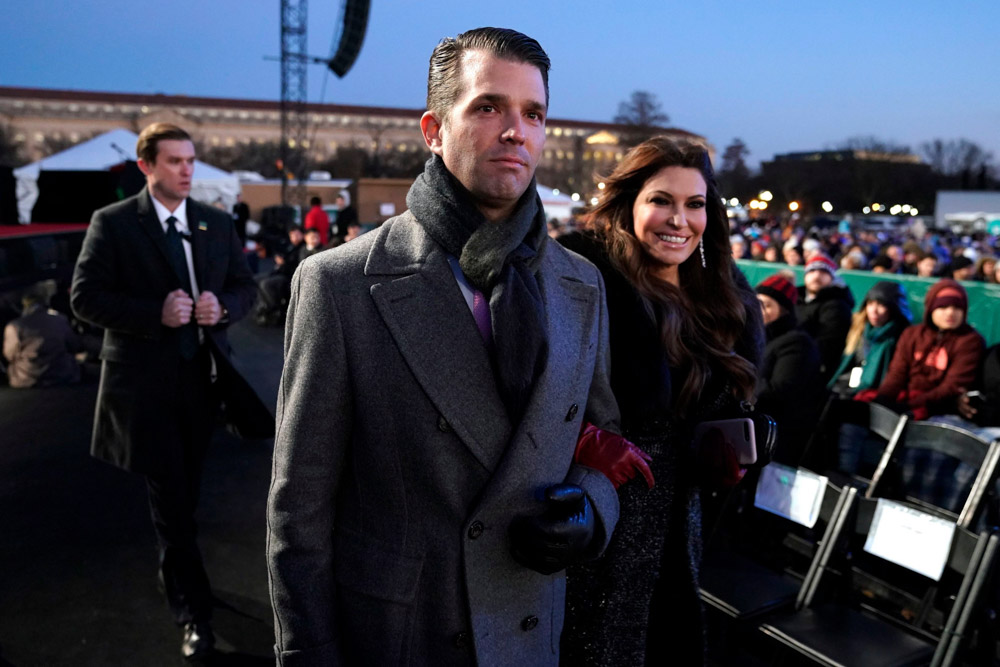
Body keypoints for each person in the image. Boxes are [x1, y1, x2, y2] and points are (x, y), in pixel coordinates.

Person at [267, 28, 622, 666]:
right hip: (403, 635)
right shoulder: (339, 285)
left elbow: (601, 434)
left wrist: (593, 509)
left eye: (533, 114)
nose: (517, 130)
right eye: (488, 107)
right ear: (433, 130)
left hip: (528, 625)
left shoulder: (580, 282)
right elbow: (300, 509)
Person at [558, 136, 763, 666]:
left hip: (679, 525)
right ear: (630, 205)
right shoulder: (583, 278)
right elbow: (531, 391)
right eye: (661, 200)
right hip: (596, 523)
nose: (679, 219)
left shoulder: (721, 294)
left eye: (695, 204)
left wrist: (732, 448)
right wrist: (581, 439)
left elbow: (731, 402)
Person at [70, 122, 260, 660]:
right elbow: (85, 297)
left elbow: (245, 290)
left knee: (185, 498)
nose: (186, 170)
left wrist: (220, 308)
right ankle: (193, 613)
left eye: (190, 160)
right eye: (174, 160)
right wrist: (154, 313)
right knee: (172, 503)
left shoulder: (215, 224)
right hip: (144, 388)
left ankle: (174, 571)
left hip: (205, 384)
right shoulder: (112, 224)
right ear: (146, 166)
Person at [867, 279, 985, 421]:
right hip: (905, 398)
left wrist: (908, 406)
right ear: (931, 308)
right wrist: (883, 401)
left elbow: (952, 386)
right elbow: (896, 374)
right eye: (943, 307)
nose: (950, 313)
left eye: (957, 307)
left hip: (939, 409)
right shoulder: (912, 334)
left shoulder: (970, 340)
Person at [754, 274, 822, 465]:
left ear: (783, 311)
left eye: (766, 305)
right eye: (757, 303)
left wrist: (742, 382)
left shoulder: (797, 343)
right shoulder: (757, 334)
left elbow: (781, 390)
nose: (759, 311)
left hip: (778, 431)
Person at [828, 280, 911, 399]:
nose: (874, 311)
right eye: (870, 304)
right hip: (844, 387)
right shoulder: (858, 327)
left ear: (894, 308)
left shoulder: (899, 337)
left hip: (871, 396)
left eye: (881, 305)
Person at [3, 283, 83, 388]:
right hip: (61, 372)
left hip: (26, 376)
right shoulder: (59, 319)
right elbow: (73, 344)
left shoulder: (15, 325)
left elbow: (9, 354)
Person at [795, 252, 855, 383]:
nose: (816, 276)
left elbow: (828, 345)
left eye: (823, 272)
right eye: (812, 271)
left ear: (832, 278)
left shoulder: (837, 305)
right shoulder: (796, 299)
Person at [256, 225, 305, 326]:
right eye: (292, 236)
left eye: (296, 235)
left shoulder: (302, 248)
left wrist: (283, 263)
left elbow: (296, 266)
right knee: (257, 279)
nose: (294, 238)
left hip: (289, 276)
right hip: (281, 271)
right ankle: (264, 306)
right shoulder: (290, 246)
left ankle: (274, 309)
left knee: (266, 284)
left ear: (302, 235)